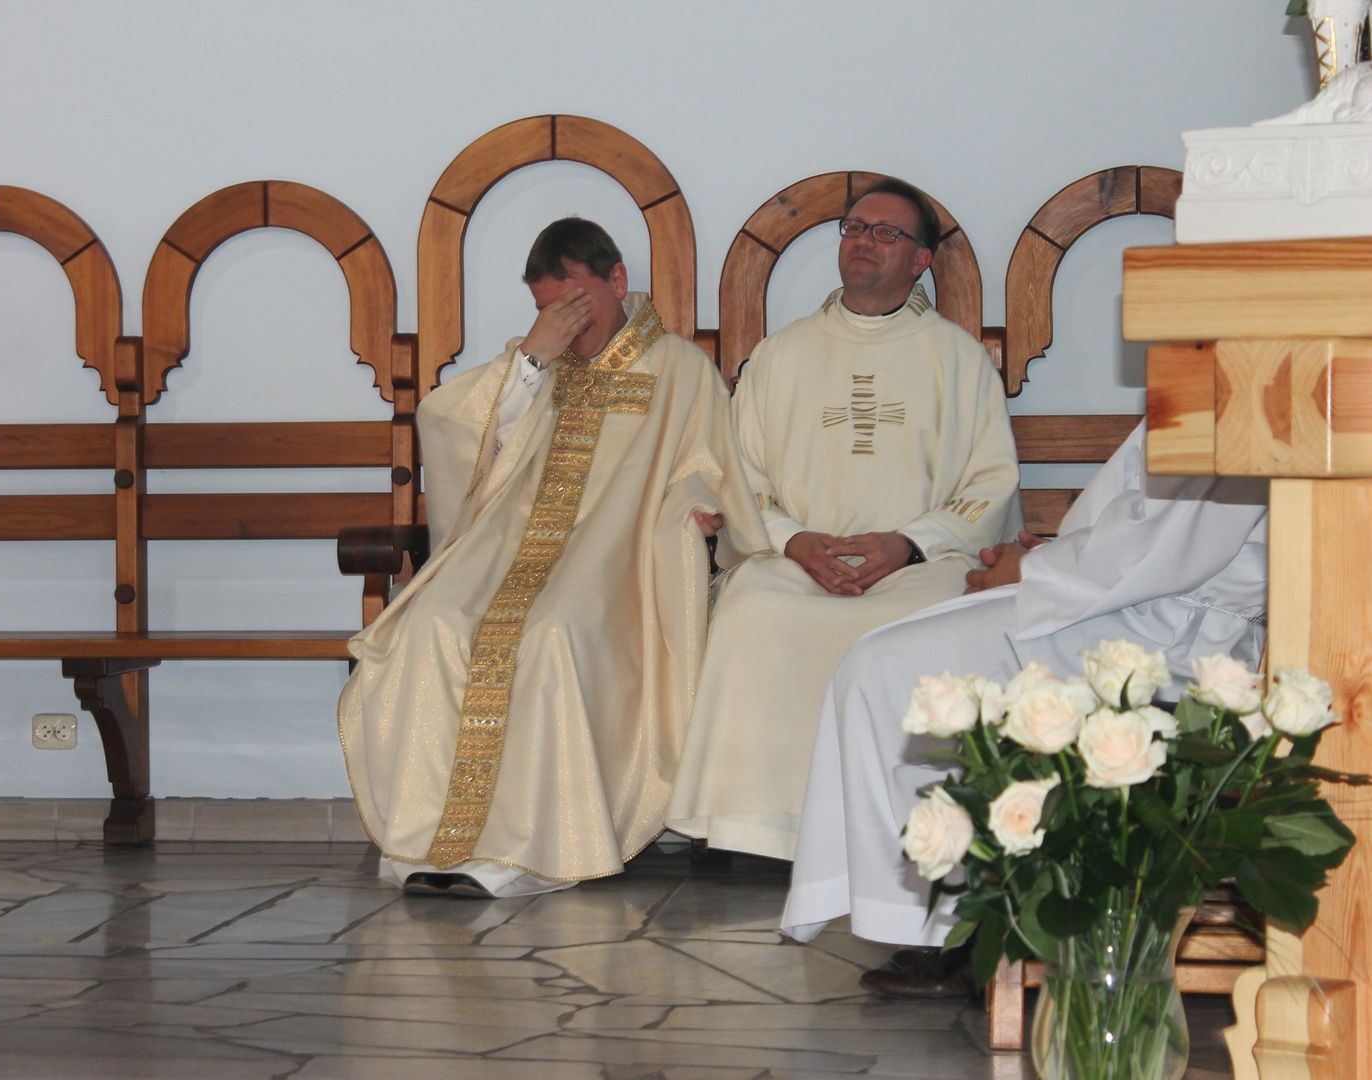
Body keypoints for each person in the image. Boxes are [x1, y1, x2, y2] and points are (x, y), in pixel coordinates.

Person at [338, 217, 771, 899]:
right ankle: (432, 840)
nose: (566, 323)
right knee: (431, 625)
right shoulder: (535, 363)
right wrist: (532, 363)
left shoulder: (678, 368)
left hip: (615, 558)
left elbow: (708, 461)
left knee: (550, 635)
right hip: (503, 549)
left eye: (577, 302)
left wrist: (697, 501)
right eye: (548, 309)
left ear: (618, 280)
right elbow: (453, 431)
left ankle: (531, 846)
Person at [779, 421, 1268, 997]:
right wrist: (1049, 560)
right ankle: (949, 912)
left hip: (1177, 640)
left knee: (890, 670)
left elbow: (1166, 543)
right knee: (881, 662)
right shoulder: (1211, 383)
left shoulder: (1244, 394)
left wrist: (1033, 572)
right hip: (1131, 607)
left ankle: (956, 928)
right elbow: (1145, 522)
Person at [666, 178, 1021, 862]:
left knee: (938, 617)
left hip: (919, 568)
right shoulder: (782, 354)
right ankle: (760, 829)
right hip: (797, 562)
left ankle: (913, 829)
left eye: (887, 233)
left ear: (920, 260)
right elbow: (739, 476)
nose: (864, 242)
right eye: (855, 228)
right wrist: (794, 541)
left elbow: (991, 484)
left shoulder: (959, 359)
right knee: (752, 612)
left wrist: (907, 544)